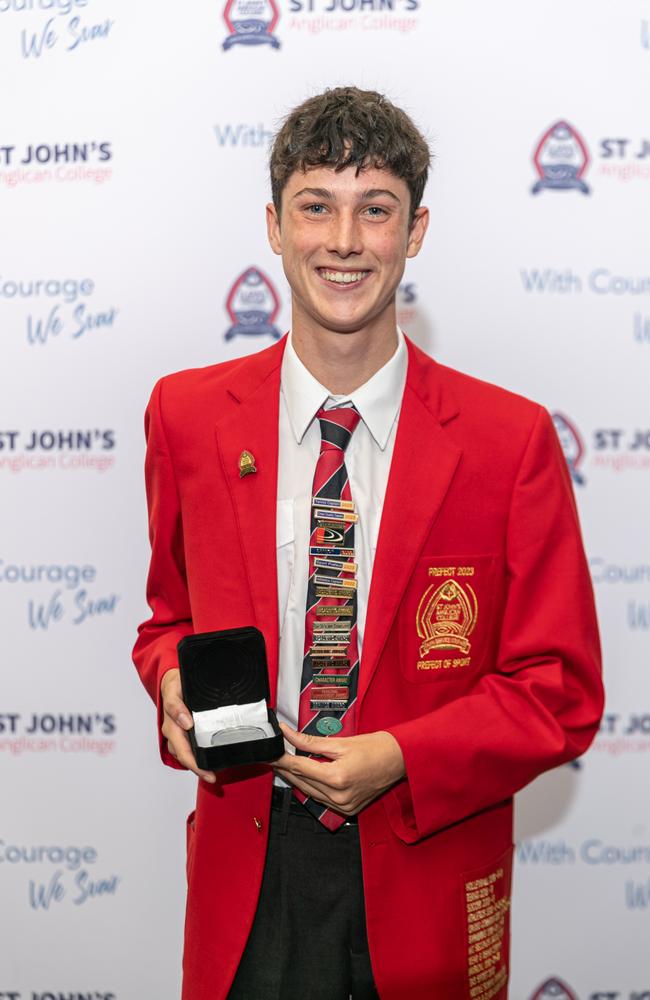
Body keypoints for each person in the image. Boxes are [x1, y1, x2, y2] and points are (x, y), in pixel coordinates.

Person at [133, 87, 603, 1000]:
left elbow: (562, 690)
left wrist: (403, 757)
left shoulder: (509, 441)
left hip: (424, 870)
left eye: (375, 210)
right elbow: (167, 621)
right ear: (273, 225)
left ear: (415, 230)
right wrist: (172, 683)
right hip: (246, 875)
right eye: (316, 206)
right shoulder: (185, 417)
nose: (344, 241)